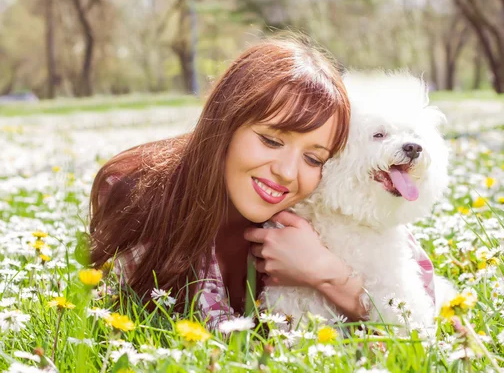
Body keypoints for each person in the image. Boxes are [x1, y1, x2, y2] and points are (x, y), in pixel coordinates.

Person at [89, 36, 370, 329]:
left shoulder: (329, 206)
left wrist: (325, 273)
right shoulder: (137, 193)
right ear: (225, 122)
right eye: (271, 140)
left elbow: (414, 322)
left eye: (313, 159)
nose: (287, 172)